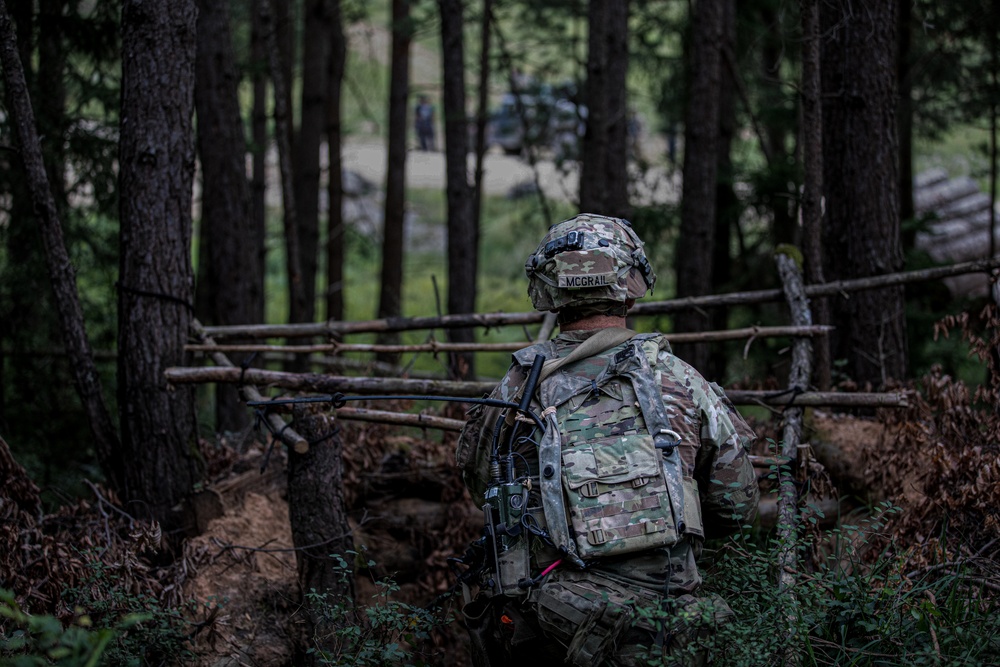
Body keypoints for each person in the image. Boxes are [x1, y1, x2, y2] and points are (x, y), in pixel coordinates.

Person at [455, 213, 759, 666]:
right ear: (631, 284)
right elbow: (737, 506)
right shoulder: (681, 382)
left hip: (557, 632)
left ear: (548, 290)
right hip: (671, 629)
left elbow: (484, 490)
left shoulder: (514, 392)